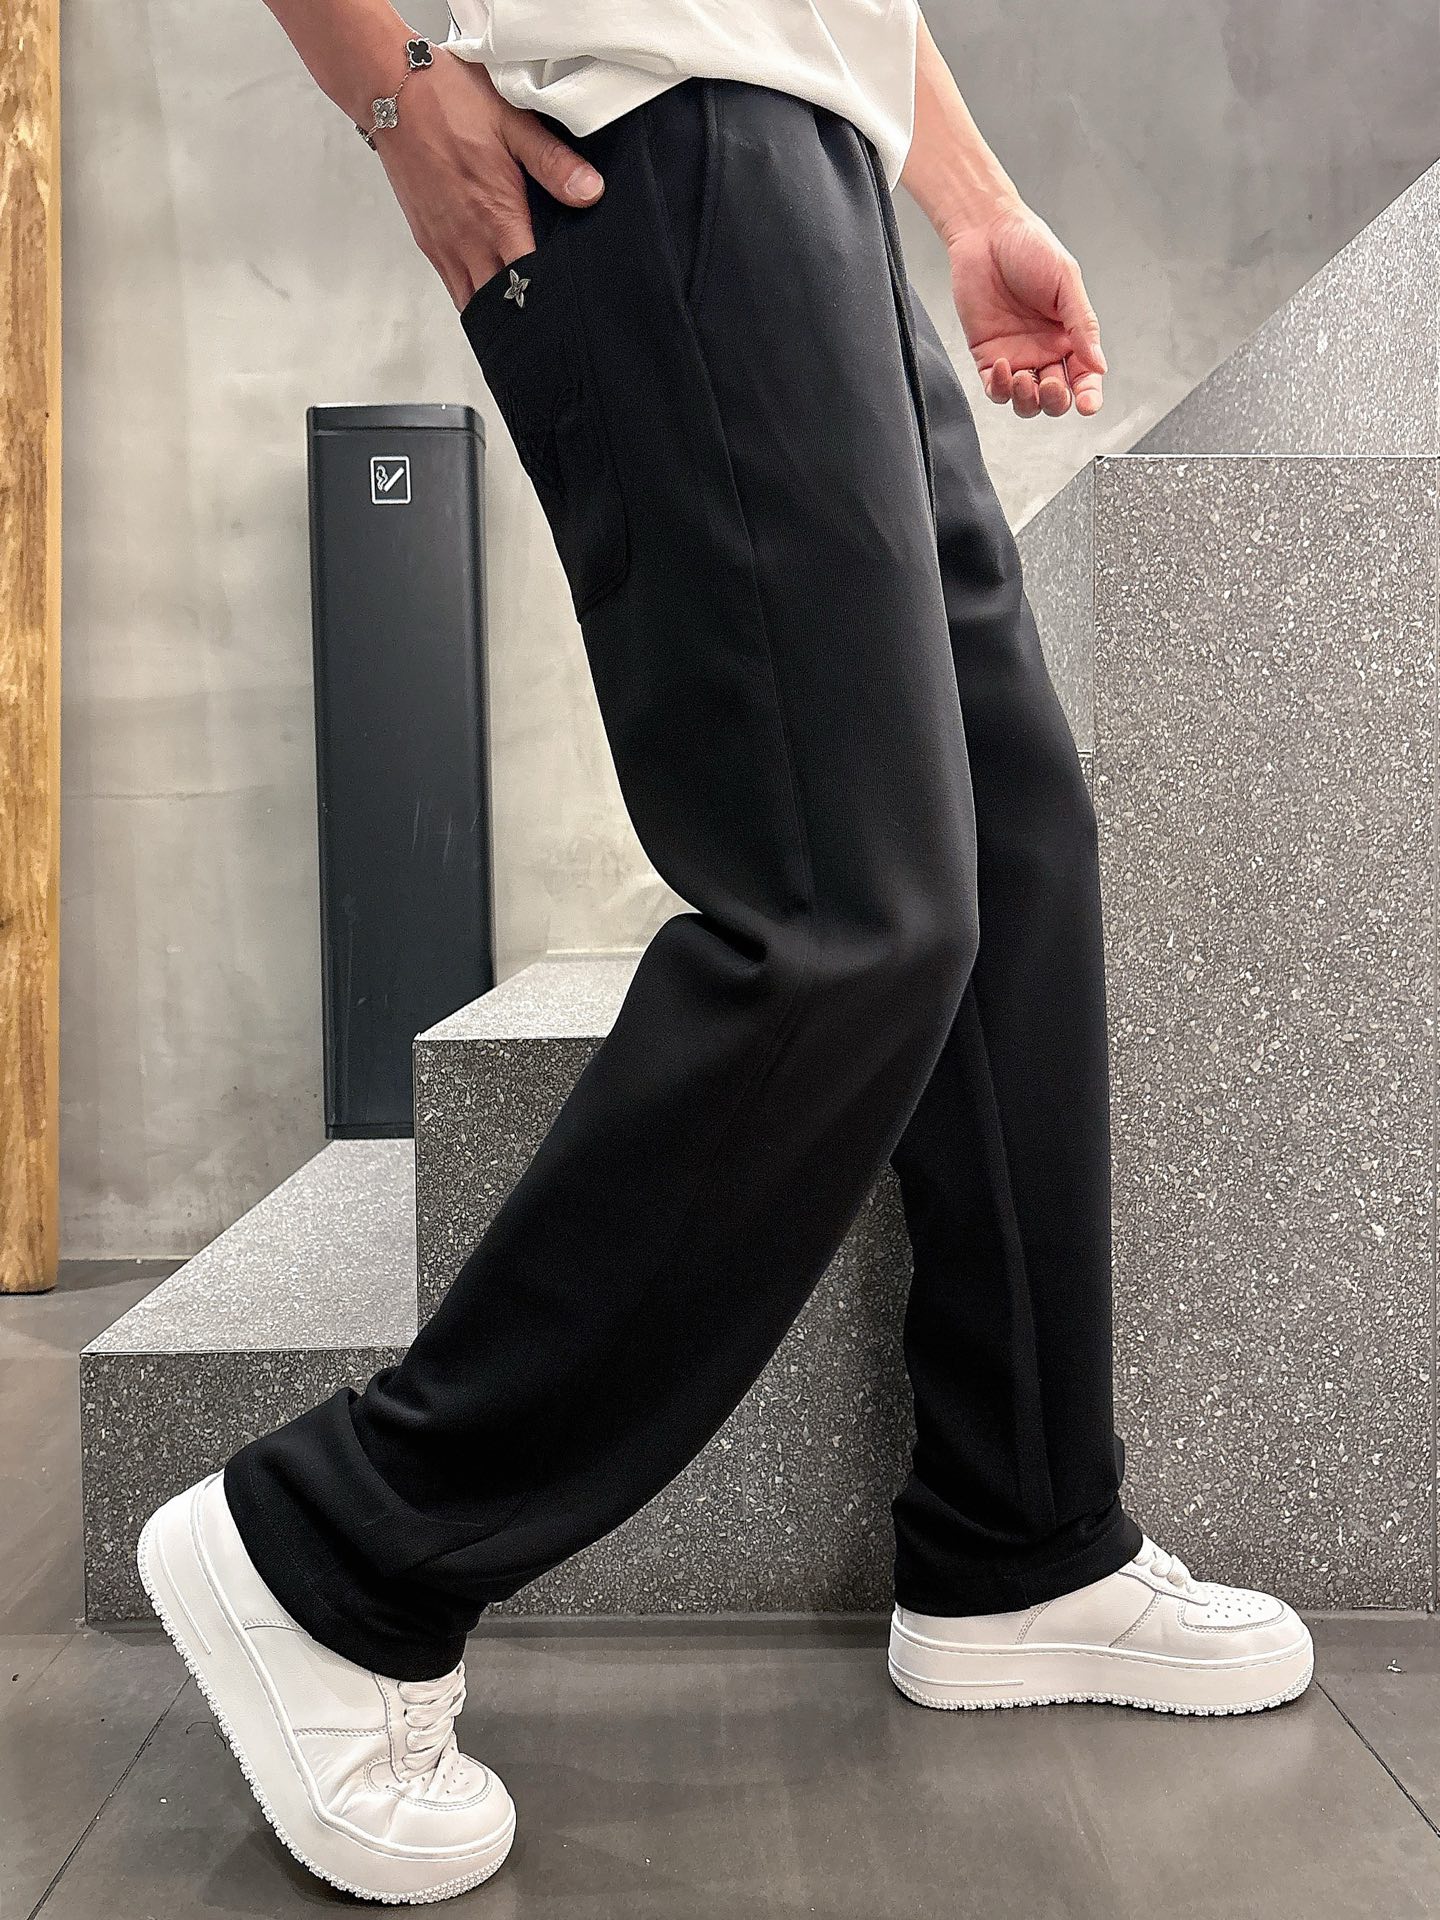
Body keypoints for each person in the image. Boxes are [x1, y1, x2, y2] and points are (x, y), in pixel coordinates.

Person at [137, 0, 1314, 1902]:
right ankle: (338, 1544)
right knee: (845, 914)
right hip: (647, 140)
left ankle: (1019, 1540)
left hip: (814, 156)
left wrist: (970, 202)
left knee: (1012, 863)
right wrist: (388, 88)